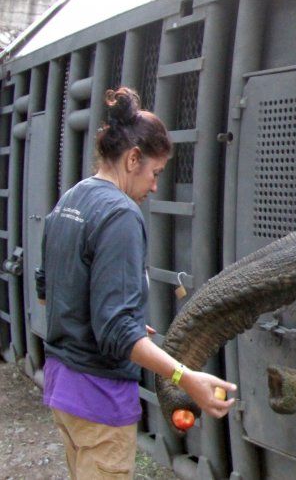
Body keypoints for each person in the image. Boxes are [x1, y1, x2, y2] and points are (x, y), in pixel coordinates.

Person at [35, 87, 235, 479]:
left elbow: (50, 293)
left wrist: (104, 320)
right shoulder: (121, 214)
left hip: (63, 387)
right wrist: (186, 378)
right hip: (99, 399)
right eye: (155, 173)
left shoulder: (70, 200)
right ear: (132, 159)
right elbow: (118, 334)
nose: (156, 186)